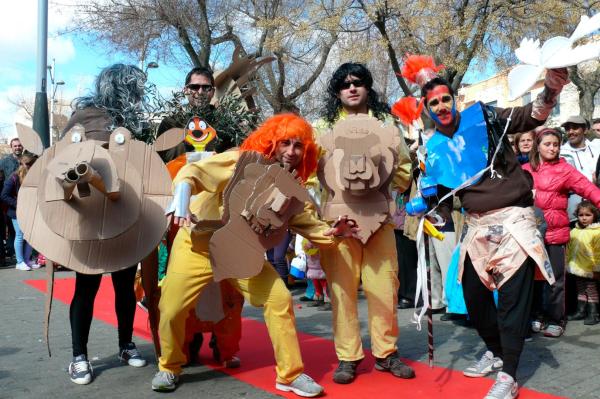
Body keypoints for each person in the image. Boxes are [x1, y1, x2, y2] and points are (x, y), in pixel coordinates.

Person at [151, 113, 357, 397]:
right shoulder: (240, 160)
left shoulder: (295, 191)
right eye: (285, 143)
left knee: (279, 298)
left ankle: (290, 374)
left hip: (239, 254)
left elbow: (311, 226)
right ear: (272, 142)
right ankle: (170, 366)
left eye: (299, 146)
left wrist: (336, 233)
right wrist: (182, 197)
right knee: (171, 308)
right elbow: (193, 173)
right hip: (197, 246)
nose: (291, 152)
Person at [400, 54, 568, 399]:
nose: (442, 106)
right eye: (434, 103)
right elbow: (443, 196)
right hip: (476, 227)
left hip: (515, 221)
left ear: (454, 99)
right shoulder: (432, 147)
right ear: (427, 109)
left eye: (446, 99)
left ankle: (509, 373)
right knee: (474, 299)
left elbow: (530, 115)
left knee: (511, 301)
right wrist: (423, 203)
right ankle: (496, 349)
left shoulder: (485, 117)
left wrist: (551, 88)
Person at [314, 62, 414, 384]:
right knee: (342, 291)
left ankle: (386, 353)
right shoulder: (322, 128)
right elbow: (313, 173)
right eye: (345, 84)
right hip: (339, 223)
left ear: (368, 87)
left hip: (378, 221)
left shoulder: (386, 125)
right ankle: (348, 357)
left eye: (358, 82)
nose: (352, 88)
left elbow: (403, 169)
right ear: (338, 91)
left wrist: (386, 189)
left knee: (384, 287)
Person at [63, 64, 148, 385]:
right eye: (134, 86)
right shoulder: (85, 116)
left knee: (125, 285)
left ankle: (126, 344)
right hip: (90, 218)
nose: (138, 93)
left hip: (124, 214)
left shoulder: (134, 123)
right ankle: (79, 356)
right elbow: (62, 158)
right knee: (86, 287)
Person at [523, 128, 600, 337]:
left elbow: (587, 187)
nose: (552, 148)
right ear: (538, 145)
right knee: (534, 279)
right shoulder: (524, 170)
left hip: (555, 233)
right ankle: (537, 315)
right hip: (530, 233)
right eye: (547, 144)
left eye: (556, 144)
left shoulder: (565, 170)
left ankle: (556, 319)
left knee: (556, 280)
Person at [0, 152, 38, 270]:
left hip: (29, 211)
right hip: (16, 212)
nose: (33, 167)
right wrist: (19, 204)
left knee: (31, 236)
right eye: (31, 165)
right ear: (24, 164)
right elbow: (4, 195)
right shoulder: (14, 178)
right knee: (20, 235)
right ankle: (20, 262)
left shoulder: (32, 176)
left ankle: (27, 260)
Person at [559, 115, 600, 222]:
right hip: (576, 213)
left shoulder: (597, 147)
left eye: (575, 127)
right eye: (568, 128)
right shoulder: (560, 154)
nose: (570, 131)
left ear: (585, 130)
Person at [566, 200, 600, 325]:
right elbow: (569, 249)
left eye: (588, 215)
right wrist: (567, 264)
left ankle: (593, 313)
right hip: (577, 267)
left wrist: (597, 269)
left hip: (590, 268)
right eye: (581, 215)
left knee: (591, 290)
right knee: (580, 289)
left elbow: (598, 253)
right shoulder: (574, 231)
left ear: (594, 215)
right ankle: (581, 311)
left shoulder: (597, 232)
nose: (584, 218)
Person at [0, 137, 23, 261]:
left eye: (19, 145)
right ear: (11, 147)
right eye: (15, 146)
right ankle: (11, 252)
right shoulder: (4, 161)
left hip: (24, 198)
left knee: (21, 230)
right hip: (9, 200)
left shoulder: (27, 160)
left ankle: (19, 253)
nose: (17, 147)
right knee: (12, 228)